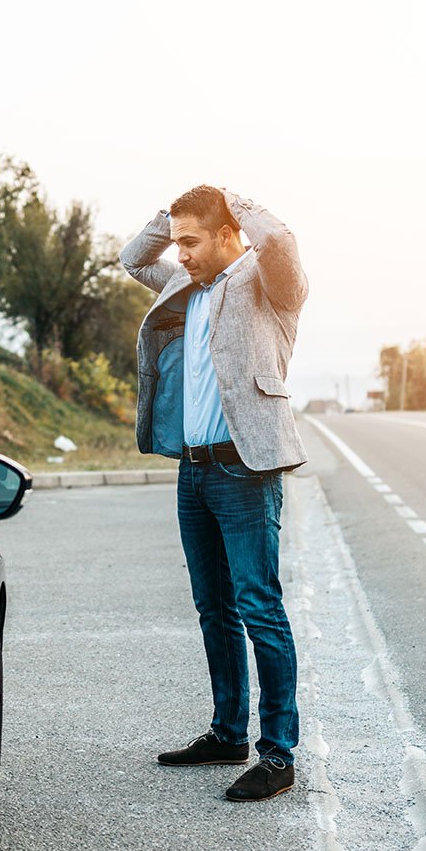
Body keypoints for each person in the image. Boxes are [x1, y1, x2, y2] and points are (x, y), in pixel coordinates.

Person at [121, 186, 309, 802]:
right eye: (177, 243)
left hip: (245, 468)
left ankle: (277, 754)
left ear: (230, 234)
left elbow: (277, 239)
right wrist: (171, 218)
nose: (180, 254)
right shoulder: (185, 285)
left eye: (192, 242)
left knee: (258, 606)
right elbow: (132, 258)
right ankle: (228, 731)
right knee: (214, 608)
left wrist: (234, 198)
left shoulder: (267, 280)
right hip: (194, 469)